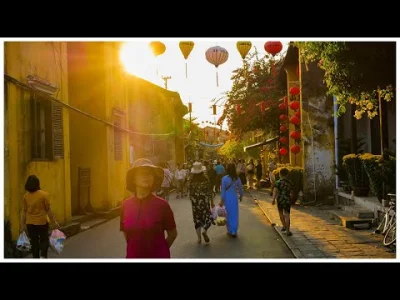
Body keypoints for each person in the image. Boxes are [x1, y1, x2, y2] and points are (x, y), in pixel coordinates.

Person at [120, 158, 178, 258]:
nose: (146, 176)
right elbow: (126, 234)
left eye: (150, 173)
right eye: (142, 173)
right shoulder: (126, 205)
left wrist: (161, 250)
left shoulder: (162, 205)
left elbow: (173, 234)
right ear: (133, 178)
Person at [20, 175, 59, 259]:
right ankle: (43, 256)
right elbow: (48, 210)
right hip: (42, 222)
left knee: (34, 242)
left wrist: (22, 225)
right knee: (44, 240)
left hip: (30, 223)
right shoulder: (44, 195)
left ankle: (36, 258)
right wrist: (54, 222)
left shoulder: (25, 196)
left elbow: (24, 211)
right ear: (37, 184)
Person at [188, 162, 215, 244]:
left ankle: (199, 238)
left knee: (197, 220)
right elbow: (210, 192)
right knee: (207, 217)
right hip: (204, 201)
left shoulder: (191, 181)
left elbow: (190, 193)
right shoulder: (206, 179)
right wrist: (212, 202)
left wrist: (193, 199)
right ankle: (205, 231)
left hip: (195, 203)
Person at [220, 163, 244, 238]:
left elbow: (223, 191)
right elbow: (240, 188)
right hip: (234, 197)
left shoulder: (224, 179)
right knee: (234, 214)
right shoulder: (237, 178)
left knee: (228, 214)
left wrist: (221, 201)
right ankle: (234, 231)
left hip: (227, 198)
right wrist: (241, 196)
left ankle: (229, 230)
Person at [272, 168, 294, 236]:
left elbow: (275, 191)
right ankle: (288, 231)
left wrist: (273, 199)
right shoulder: (290, 182)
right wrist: (291, 198)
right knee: (287, 214)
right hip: (287, 198)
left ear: (280, 174)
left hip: (280, 199)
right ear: (287, 174)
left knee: (281, 213)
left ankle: (284, 226)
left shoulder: (278, 182)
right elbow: (292, 193)